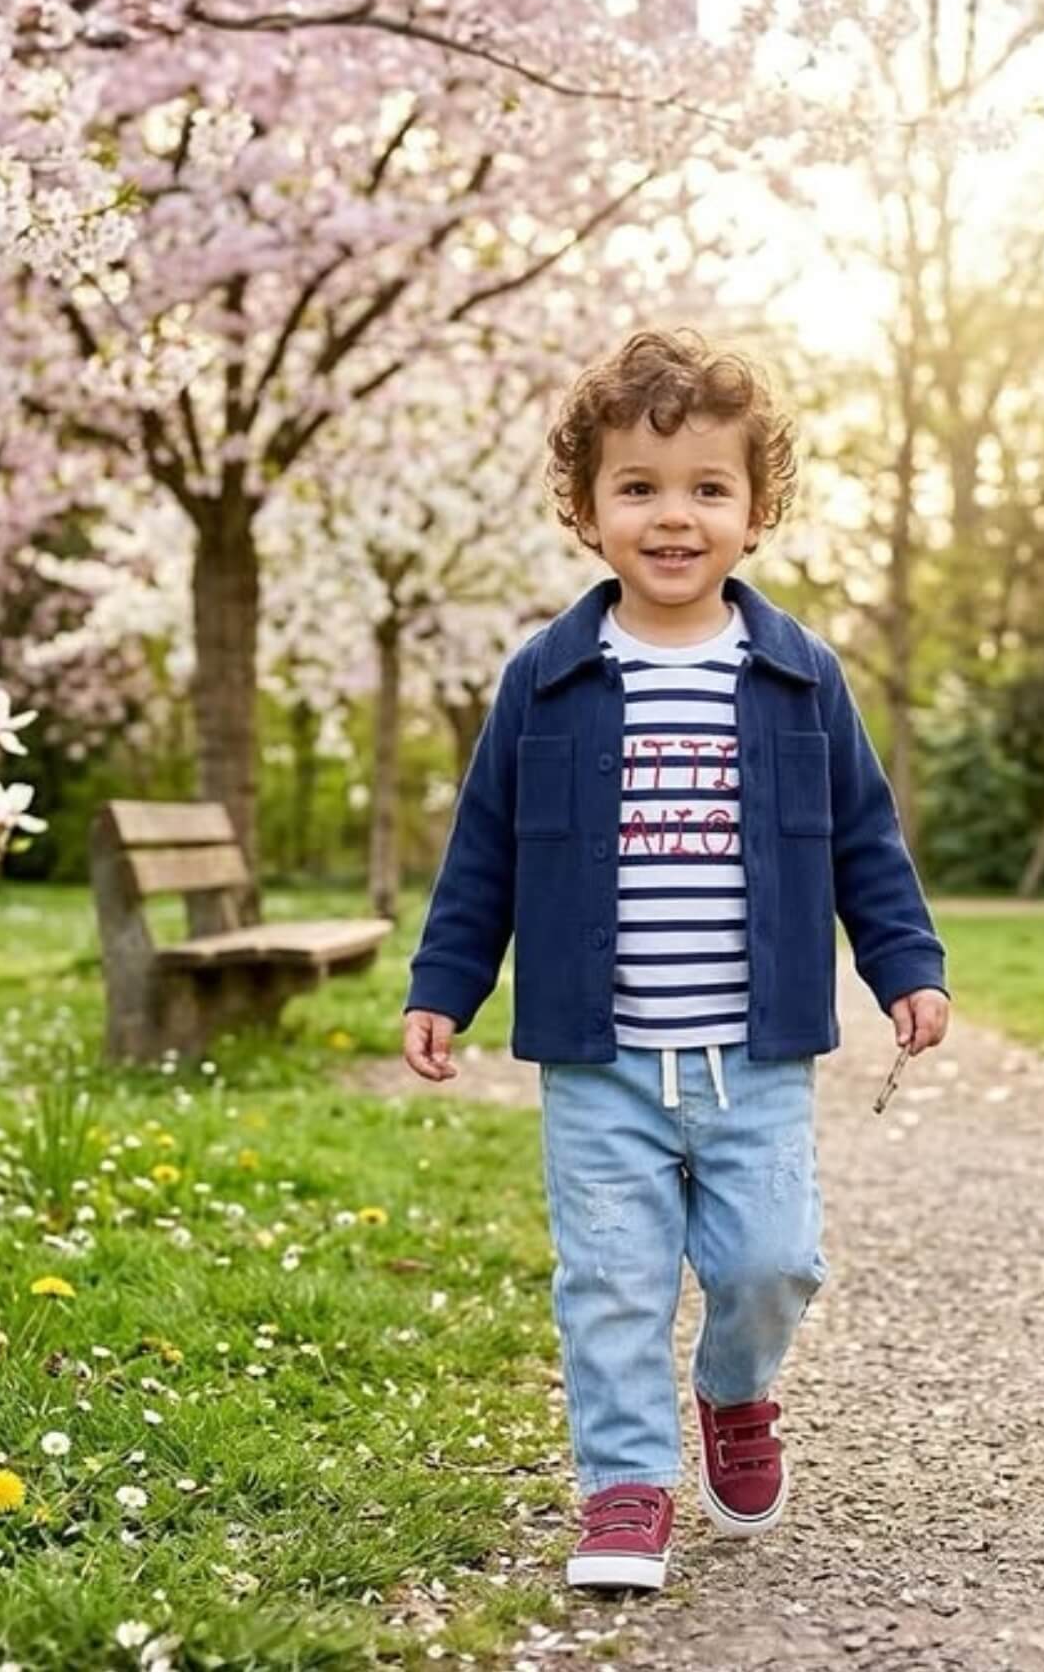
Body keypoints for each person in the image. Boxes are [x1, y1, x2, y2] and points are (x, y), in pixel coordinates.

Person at [401, 327, 950, 1594]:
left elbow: (864, 837)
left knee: (769, 1264)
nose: (673, 516)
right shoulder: (546, 680)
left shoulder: (798, 677)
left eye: (707, 488)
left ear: (757, 512)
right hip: (599, 1061)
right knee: (611, 1283)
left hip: (753, 1055)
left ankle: (735, 1390)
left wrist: (904, 965)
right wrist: (444, 987)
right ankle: (626, 1488)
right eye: (637, 489)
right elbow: (482, 850)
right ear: (585, 511)